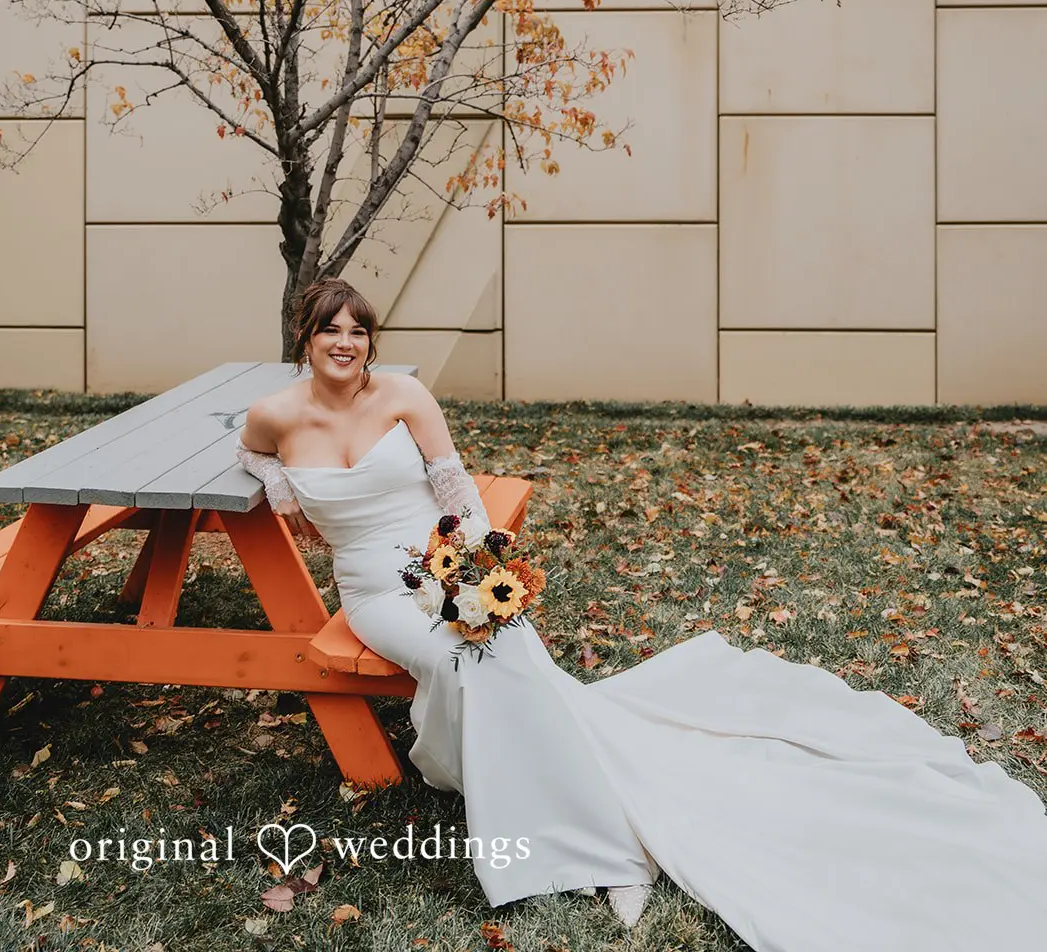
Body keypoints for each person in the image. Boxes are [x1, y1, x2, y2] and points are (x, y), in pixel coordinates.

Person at [237, 279, 1047, 946]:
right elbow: (250, 452)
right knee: (460, 662)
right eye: (327, 330)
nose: (344, 342)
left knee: (509, 650)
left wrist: (484, 573)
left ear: (370, 341)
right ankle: (535, 813)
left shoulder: (404, 394)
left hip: (444, 562)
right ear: (303, 338)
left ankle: (593, 829)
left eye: (357, 330)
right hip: (377, 593)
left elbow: (452, 486)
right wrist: (279, 488)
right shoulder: (276, 414)